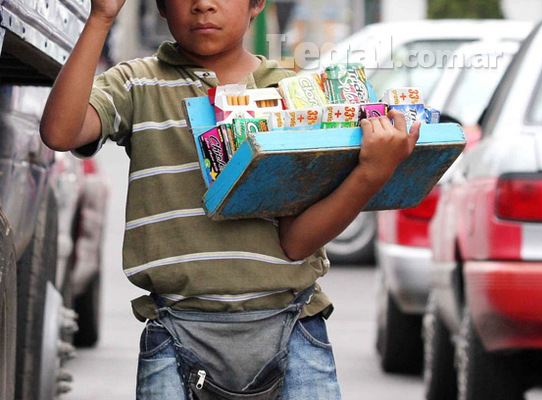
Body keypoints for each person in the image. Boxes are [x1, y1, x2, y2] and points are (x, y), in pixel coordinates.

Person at [40, 0, 420, 398]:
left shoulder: (295, 93)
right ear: (161, 6)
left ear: (257, 3)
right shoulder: (137, 84)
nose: (203, 4)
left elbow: (296, 243)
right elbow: (61, 134)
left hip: (293, 328)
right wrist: (101, 17)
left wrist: (372, 173)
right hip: (175, 332)